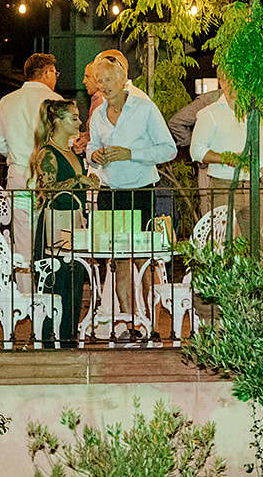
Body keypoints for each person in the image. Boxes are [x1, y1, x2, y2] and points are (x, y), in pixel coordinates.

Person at [88, 53, 176, 337]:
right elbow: (89, 149)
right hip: (108, 194)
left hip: (141, 192)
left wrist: (132, 154)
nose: (103, 85)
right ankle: (130, 322)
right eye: (99, 80)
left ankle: (154, 322)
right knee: (118, 260)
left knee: (144, 259)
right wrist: (95, 155)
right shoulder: (98, 115)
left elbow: (169, 149)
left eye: (108, 79)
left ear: (123, 80)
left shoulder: (145, 109)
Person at [29, 99, 98, 347]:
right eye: (74, 118)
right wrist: (78, 181)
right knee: (56, 282)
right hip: (55, 223)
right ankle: (50, 337)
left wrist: (84, 181)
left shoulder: (70, 153)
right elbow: (44, 189)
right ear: (58, 121)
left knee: (73, 280)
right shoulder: (48, 153)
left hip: (73, 222)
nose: (79, 122)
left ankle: (68, 336)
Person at [0, 53, 62, 259]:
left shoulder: (7, 101)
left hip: (19, 177)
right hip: (50, 179)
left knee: (23, 240)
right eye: (54, 73)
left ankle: (24, 290)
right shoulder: (56, 102)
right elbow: (66, 144)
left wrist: (15, 153)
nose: (55, 78)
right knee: (53, 240)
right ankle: (49, 288)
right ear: (47, 72)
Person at [190, 69, 263, 242]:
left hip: (254, 186)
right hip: (223, 185)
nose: (234, 84)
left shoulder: (256, 114)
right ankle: (221, 270)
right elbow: (196, 151)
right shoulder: (209, 114)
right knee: (221, 243)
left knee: (256, 244)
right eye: (229, 79)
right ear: (221, 82)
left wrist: (262, 186)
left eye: (239, 78)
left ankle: (256, 270)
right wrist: (226, 158)